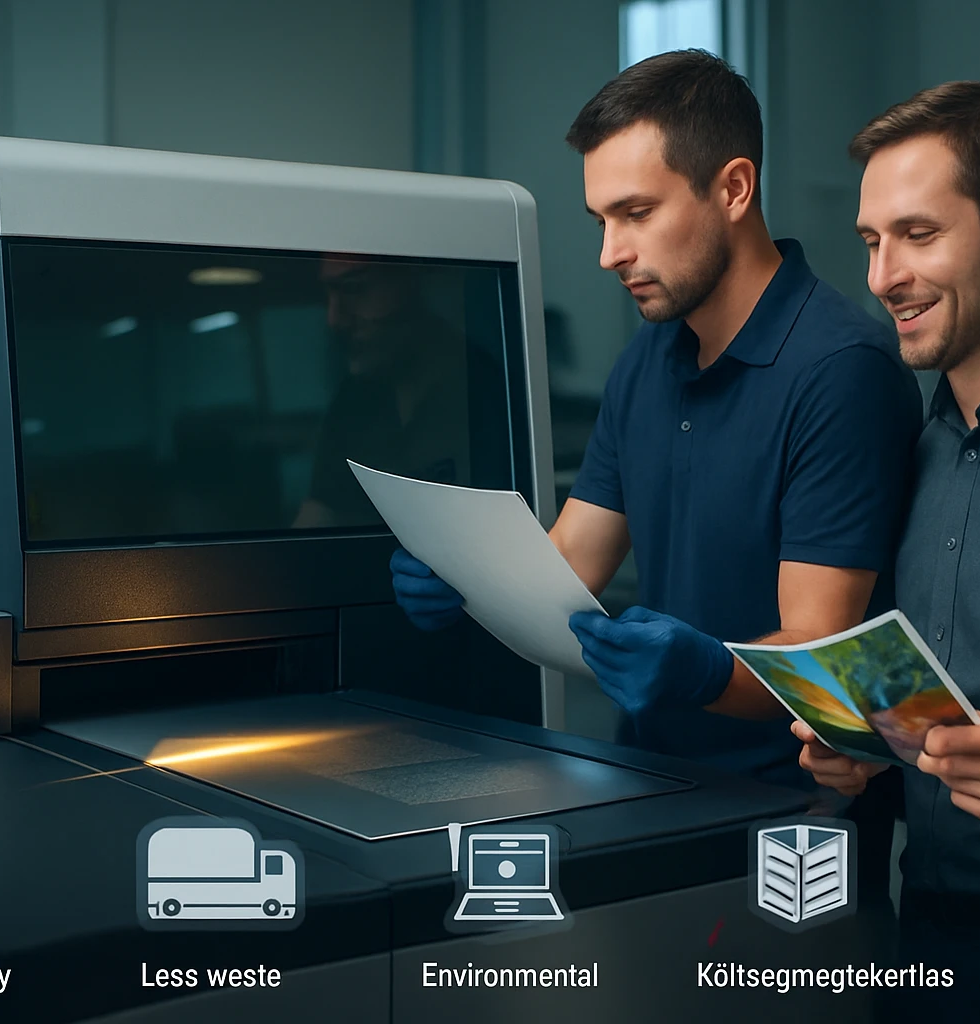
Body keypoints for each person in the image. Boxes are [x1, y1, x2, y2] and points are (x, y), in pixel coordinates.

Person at [391, 49, 924, 787]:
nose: (612, 253)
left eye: (637, 213)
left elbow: (818, 650)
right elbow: (572, 564)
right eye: (601, 220)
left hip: (792, 808)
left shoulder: (842, 371)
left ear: (734, 188)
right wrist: (467, 582)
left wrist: (706, 672)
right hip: (645, 772)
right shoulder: (647, 360)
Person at [793, 81, 980, 1014]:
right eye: (872, 243)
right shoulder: (907, 448)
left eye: (918, 235)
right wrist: (864, 752)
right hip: (922, 941)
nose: (882, 277)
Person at [294, 257, 471, 528]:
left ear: (415, 281)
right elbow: (318, 513)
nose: (335, 319)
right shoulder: (356, 399)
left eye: (355, 289)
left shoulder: (484, 391)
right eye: (328, 294)